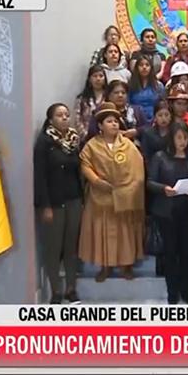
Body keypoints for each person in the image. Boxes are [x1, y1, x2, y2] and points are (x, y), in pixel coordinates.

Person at [79, 102, 145, 282]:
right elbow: (85, 165)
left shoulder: (128, 145)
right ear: (100, 125)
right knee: (103, 233)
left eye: (116, 121)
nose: (114, 124)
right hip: (100, 197)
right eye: (109, 121)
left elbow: (138, 169)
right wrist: (97, 181)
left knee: (125, 232)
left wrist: (130, 188)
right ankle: (105, 267)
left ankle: (126, 266)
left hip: (125, 197)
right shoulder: (92, 145)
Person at [147, 123, 188, 304]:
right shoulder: (160, 157)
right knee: (170, 253)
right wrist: (164, 188)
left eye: (185, 138)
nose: (182, 142)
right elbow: (149, 182)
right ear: (171, 138)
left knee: (186, 253)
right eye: (179, 137)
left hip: (186, 211)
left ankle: (186, 290)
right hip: (166, 212)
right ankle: (172, 292)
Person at [34, 103, 83, 305]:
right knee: (53, 248)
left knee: (71, 247)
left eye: (66, 115)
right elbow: (40, 176)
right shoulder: (45, 142)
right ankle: (55, 291)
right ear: (51, 119)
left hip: (73, 200)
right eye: (59, 115)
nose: (64, 118)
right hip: (53, 203)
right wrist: (44, 205)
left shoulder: (73, 140)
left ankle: (71, 289)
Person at [72, 65, 106, 142]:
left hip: (106, 138)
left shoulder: (109, 97)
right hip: (86, 138)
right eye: (95, 76)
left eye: (101, 76)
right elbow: (77, 119)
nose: (98, 79)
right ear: (90, 79)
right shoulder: (82, 98)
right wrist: (85, 135)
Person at [129, 57, 166, 121]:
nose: (144, 67)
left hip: (155, 121)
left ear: (151, 68)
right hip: (135, 120)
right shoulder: (131, 86)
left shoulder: (159, 86)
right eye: (141, 65)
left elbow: (163, 105)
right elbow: (128, 105)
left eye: (147, 65)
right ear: (137, 68)